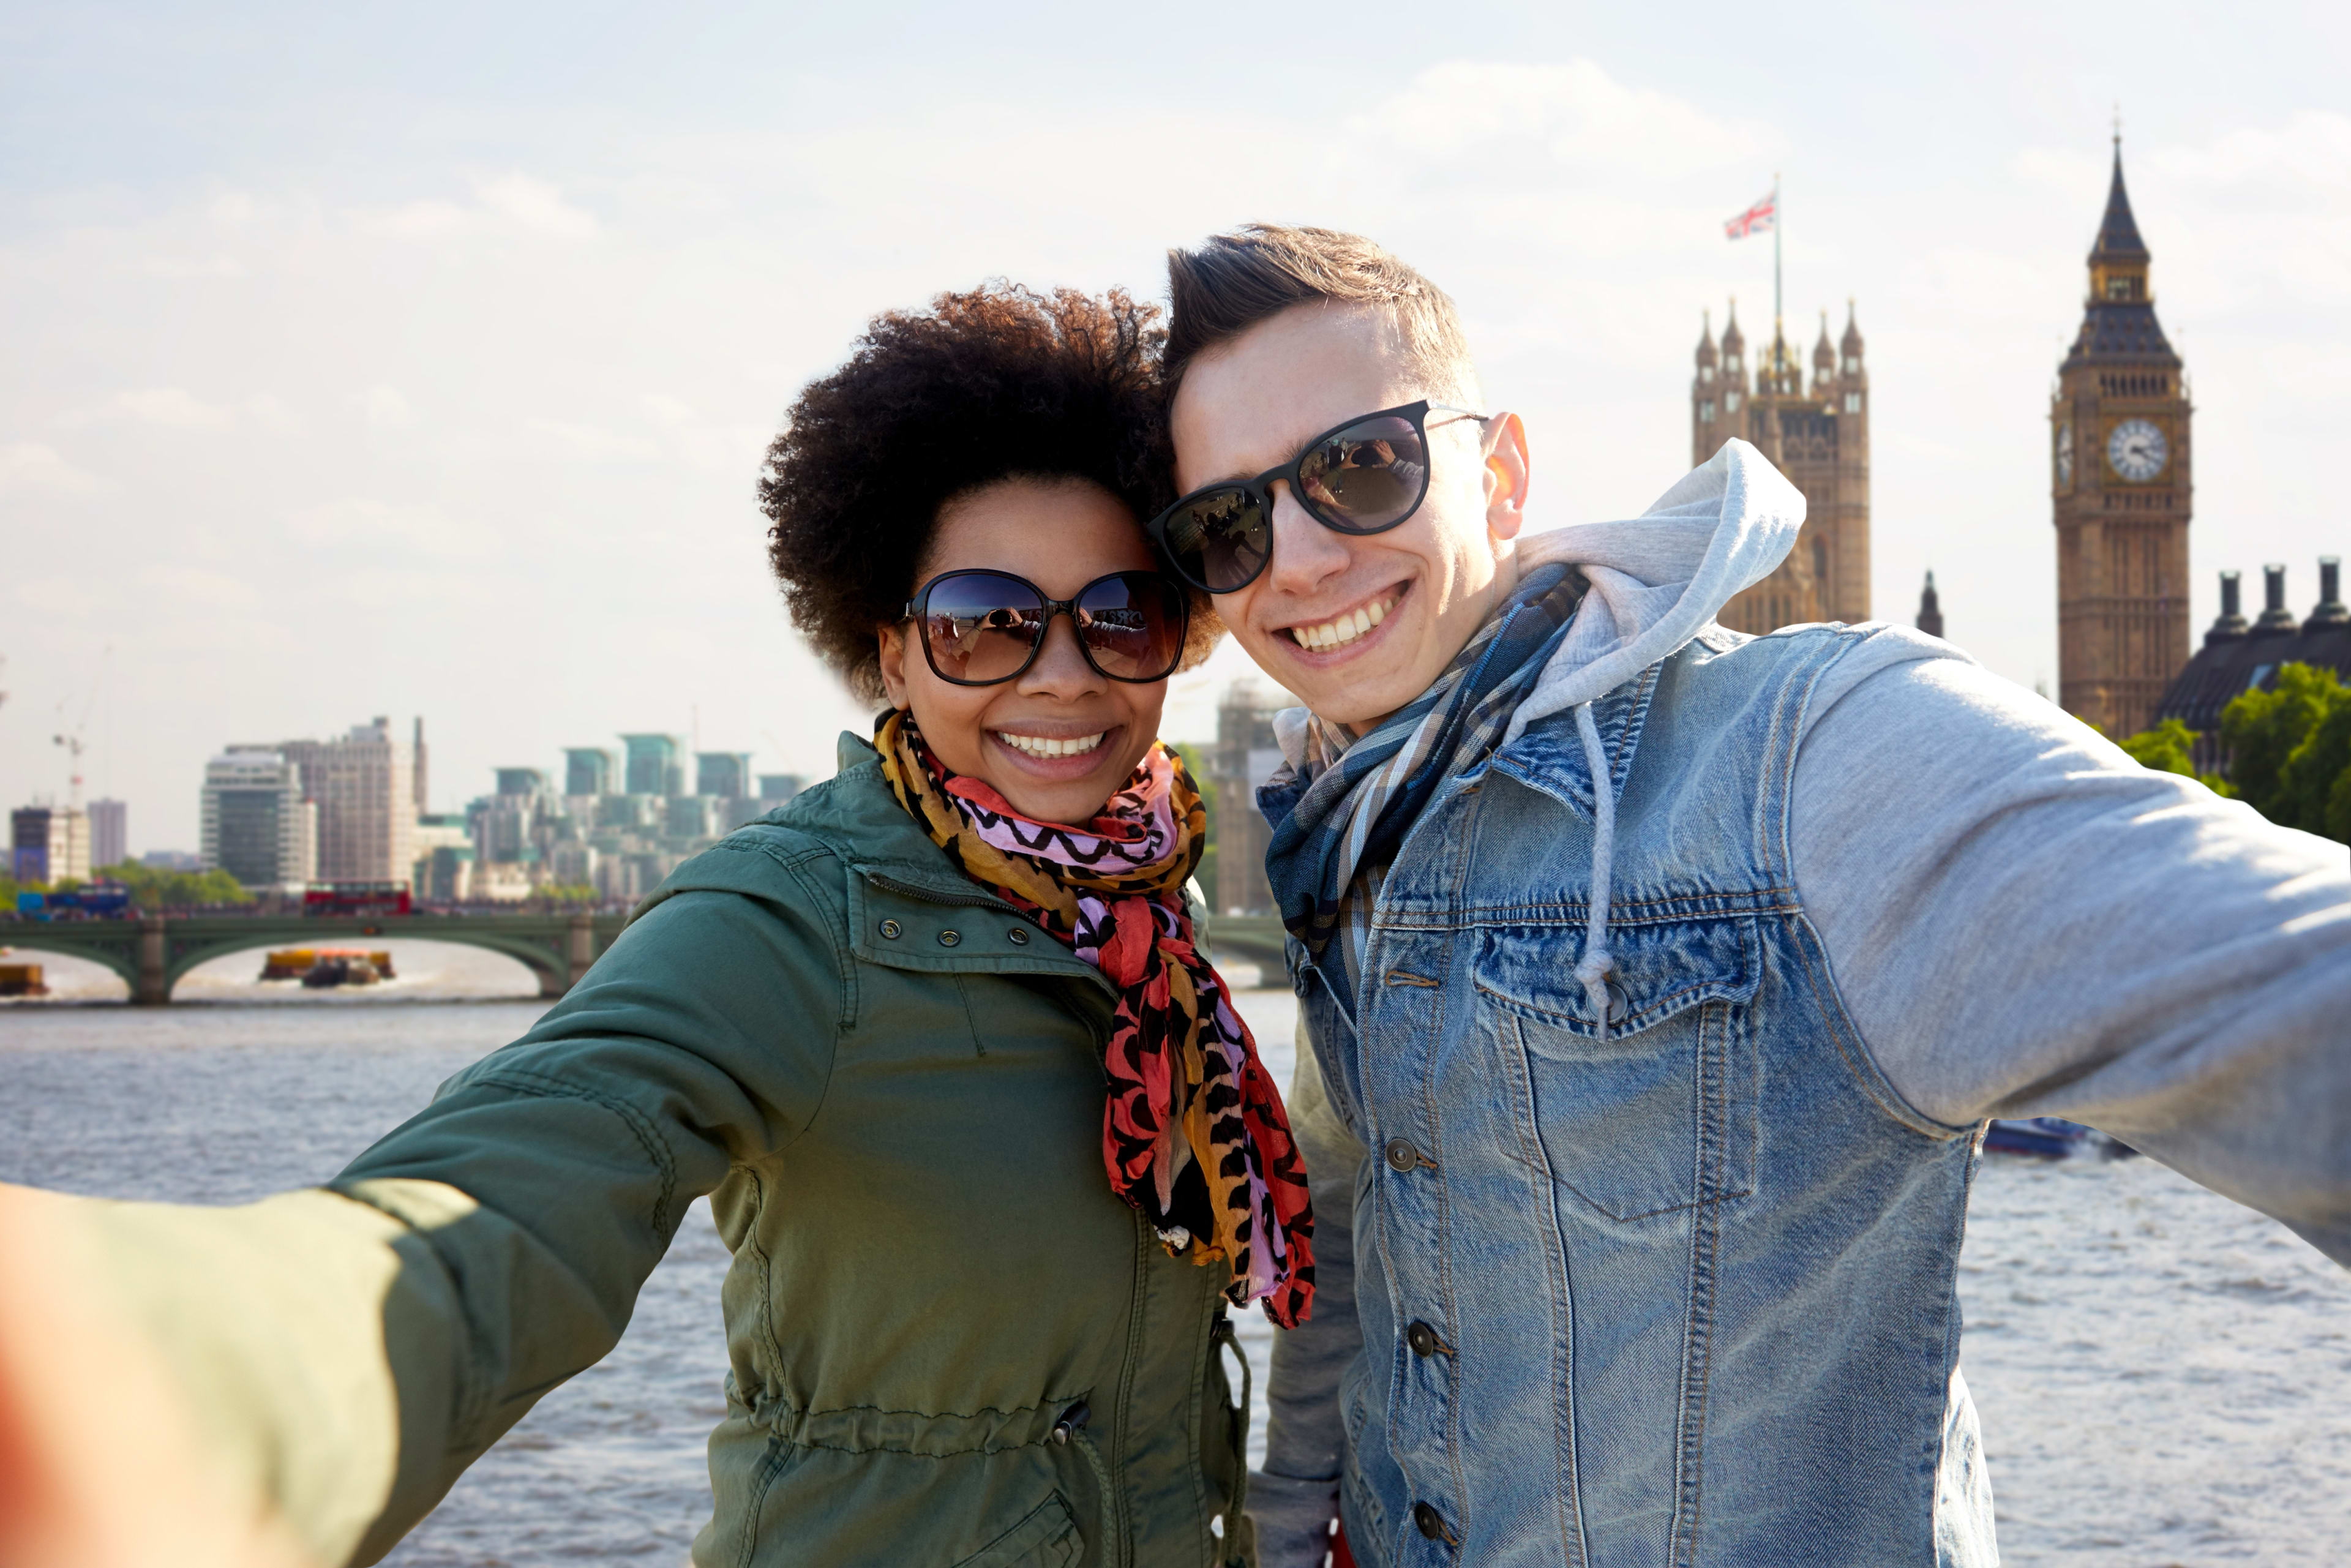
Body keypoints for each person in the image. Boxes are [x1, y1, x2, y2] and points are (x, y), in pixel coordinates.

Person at [0, 283, 1314, 1568]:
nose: (1062, 676)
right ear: (895, 650)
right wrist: (159, 1383)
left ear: (1178, 639)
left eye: (1120, 617)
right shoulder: (792, 918)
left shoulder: (1143, 915)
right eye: (987, 626)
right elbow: (520, 1186)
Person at [1149, 225, 2351, 1568]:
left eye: (1362, 468)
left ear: (1498, 476)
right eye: (1229, 523)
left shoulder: (1810, 753)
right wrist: (1288, 1505)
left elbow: (2299, 986)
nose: (1300, 559)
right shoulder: (1349, 825)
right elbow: (1358, 1231)